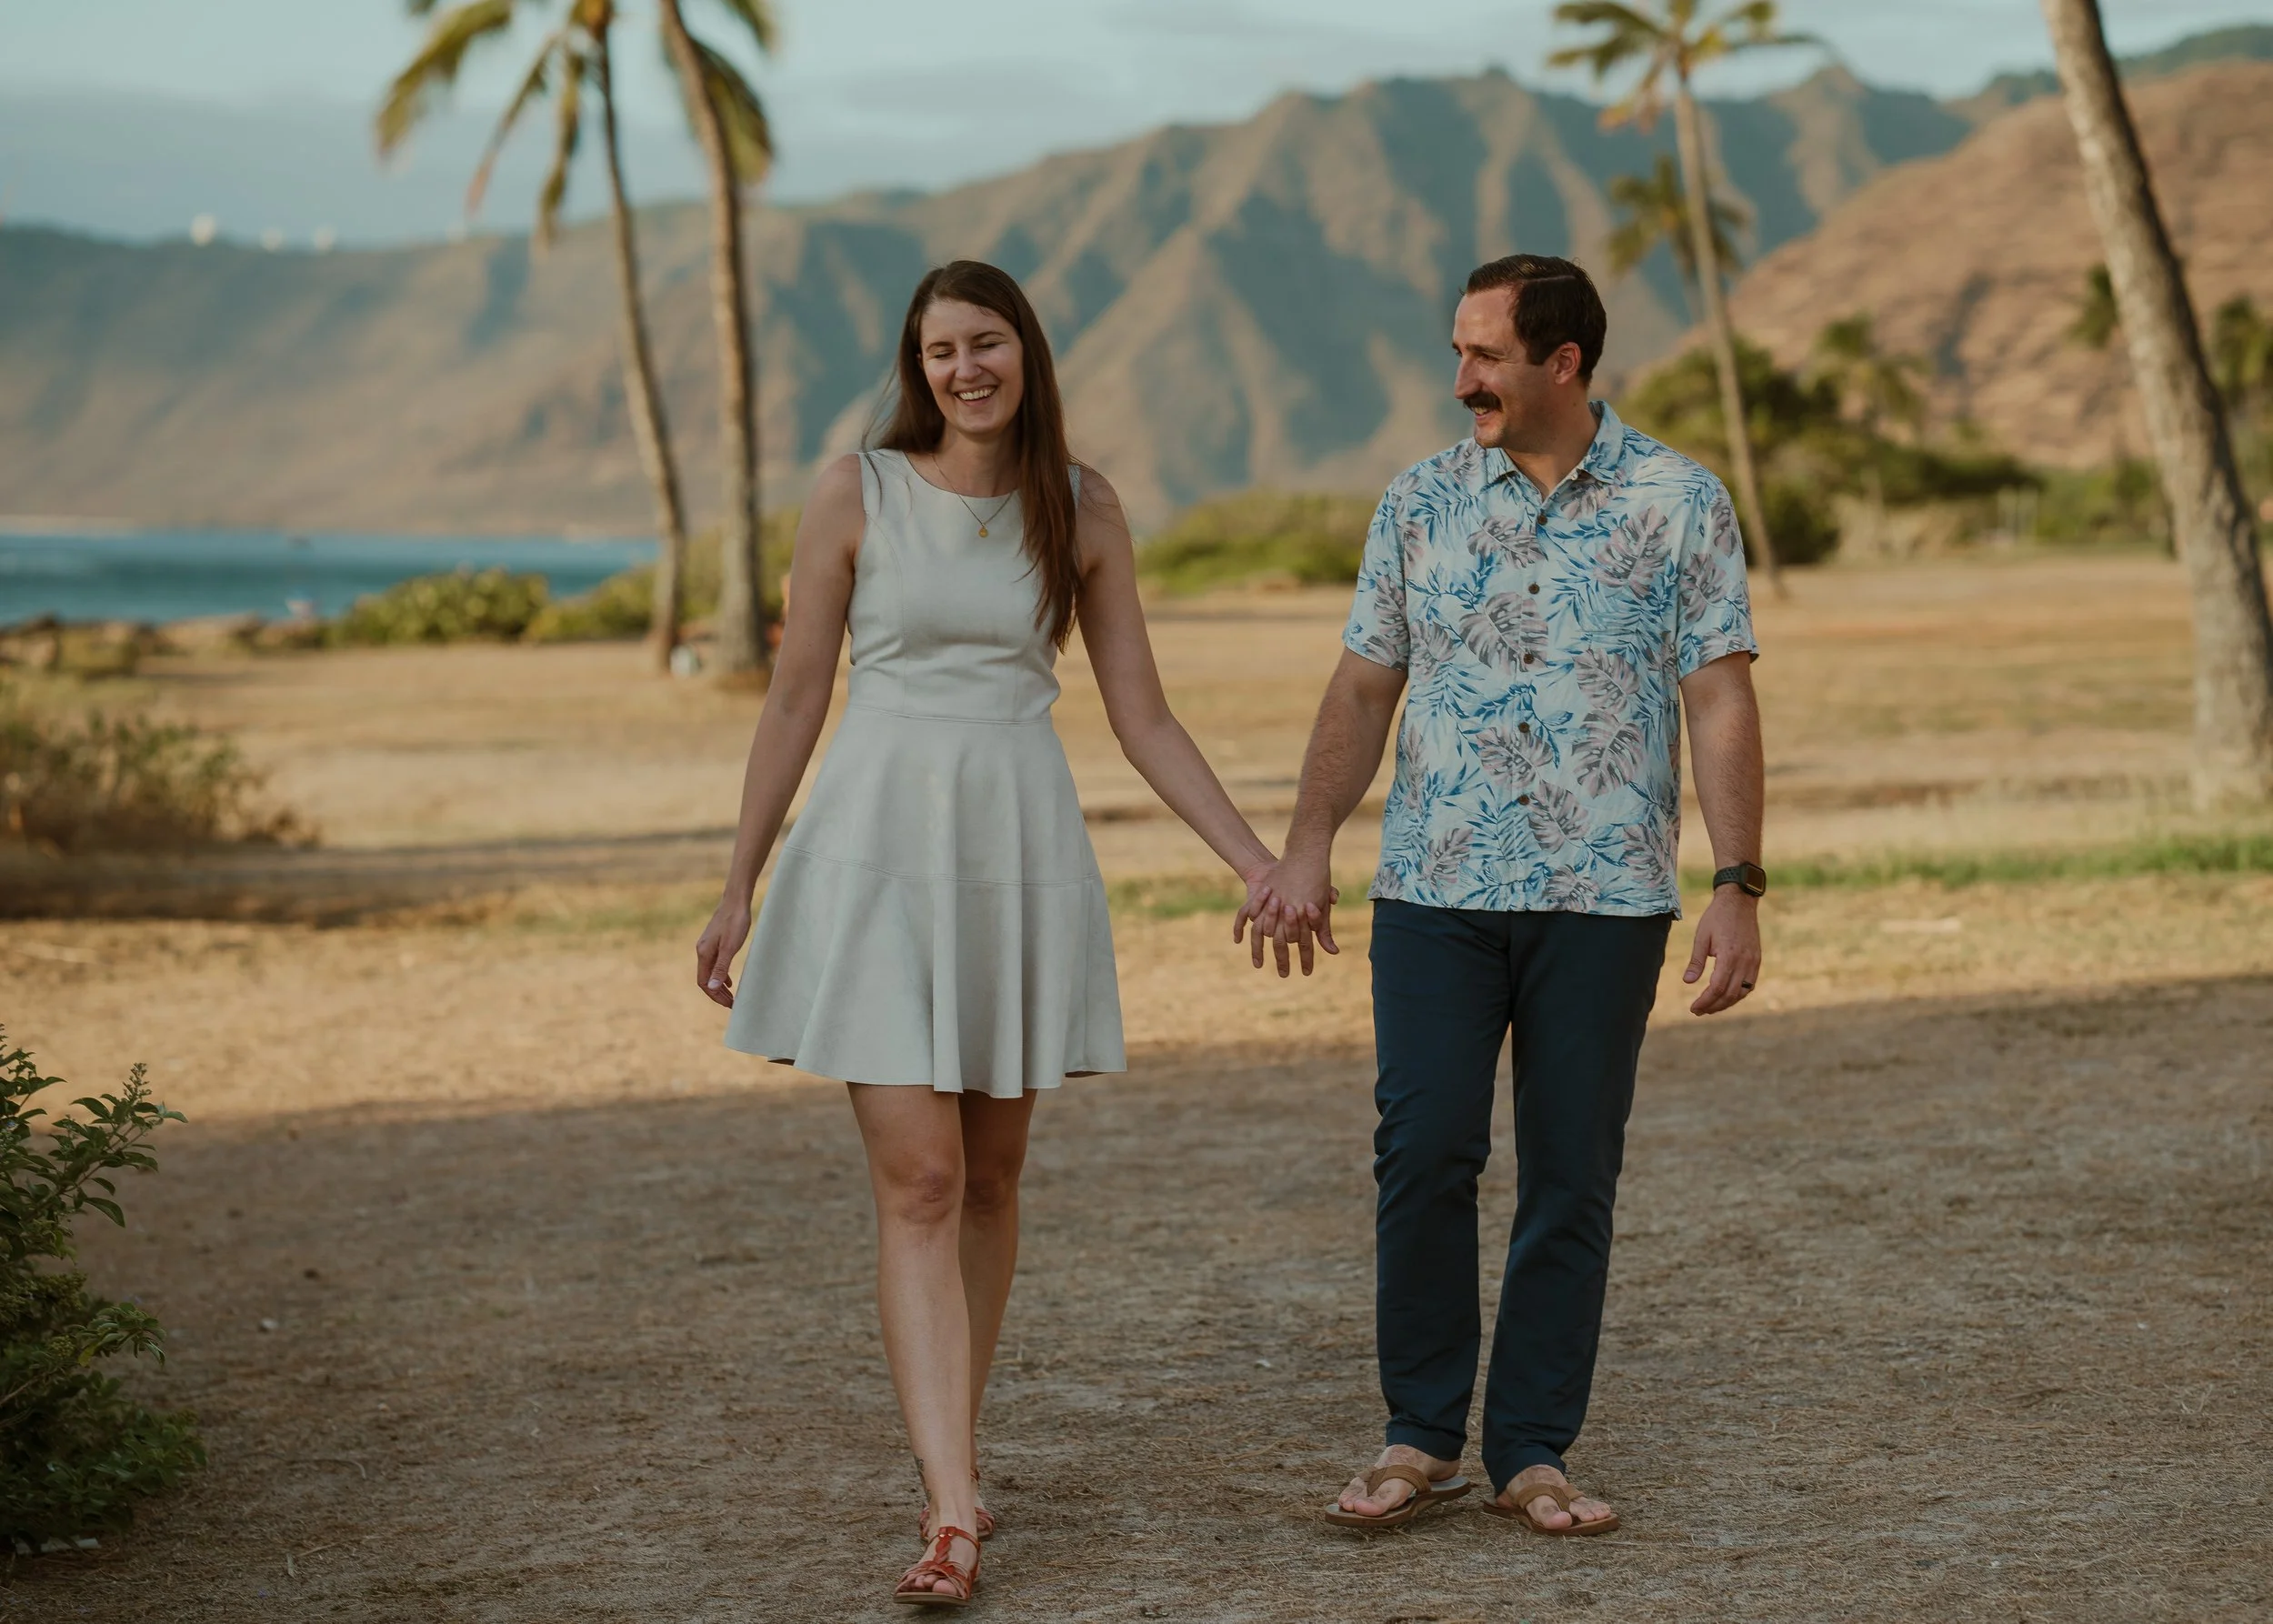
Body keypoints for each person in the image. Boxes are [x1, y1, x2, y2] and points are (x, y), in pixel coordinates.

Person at [694, 260, 1287, 1607]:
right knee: (922, 1180)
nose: (965, 368)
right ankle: (954, 1507)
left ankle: (949, 1457)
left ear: (1027, 350)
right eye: (939, 349)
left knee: (996, 1176)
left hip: (1014, 850)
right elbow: (794, 699)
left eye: (986, 342)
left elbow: (1141, 712)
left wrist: (1252, 857)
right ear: (918, 366)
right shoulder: (859, 488)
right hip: (875, 853)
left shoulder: (1080, 507)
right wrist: (739, 882)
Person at [1243, 253, 1767, 1536]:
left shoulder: (1677, 500)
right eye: (1460, 351)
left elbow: (1722, 696)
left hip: (1607, 896)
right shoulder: (1418, 501)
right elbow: (1364, 684)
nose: (1461, 377)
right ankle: (1419, 1433)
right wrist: (1306, 846)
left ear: (1564, 363)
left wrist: (1738, 881)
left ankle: (1534, 1446)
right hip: (1434, 889)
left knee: (1570, 1172)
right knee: (1422, 1148)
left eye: (1484, 355)